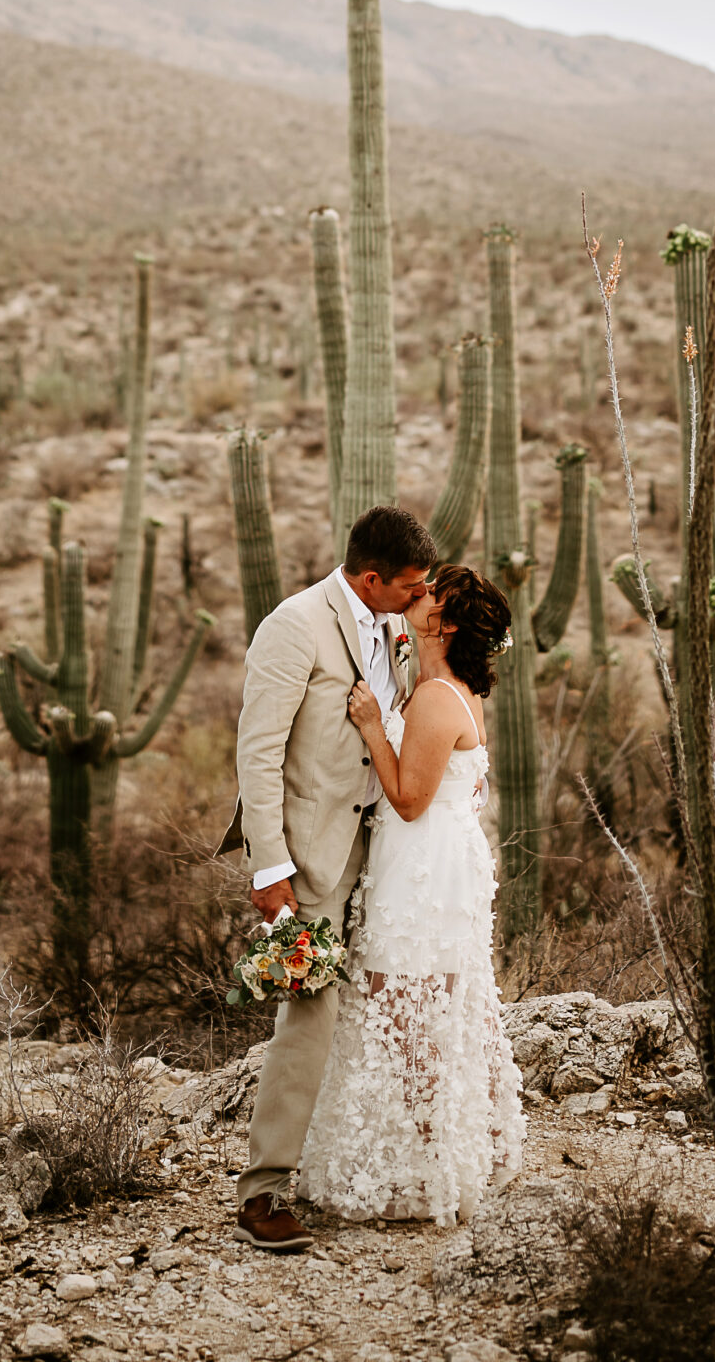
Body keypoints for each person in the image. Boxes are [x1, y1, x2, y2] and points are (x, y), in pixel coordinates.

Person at [226, 504, 436, 1252]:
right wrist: (268, 864)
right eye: (410, 588)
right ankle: (263, 1192)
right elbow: (258, 753)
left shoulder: (396, 624)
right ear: (371, 579)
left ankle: (349, 1163)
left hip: (386, 852)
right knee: (308, 1011)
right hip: (311, 855)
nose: (421, 599)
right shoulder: (293, 624)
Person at [296, 562, 525, 1227]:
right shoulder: (434, 685)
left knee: (408, 1012)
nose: (416, 595)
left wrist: (371, 724)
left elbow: (409, 798)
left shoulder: (432, 697)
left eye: (430, 594)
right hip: (439, 858)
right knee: (446, 1004)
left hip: (423, 861)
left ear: (445, 623)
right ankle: (474, 1148)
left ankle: (433, 1165)